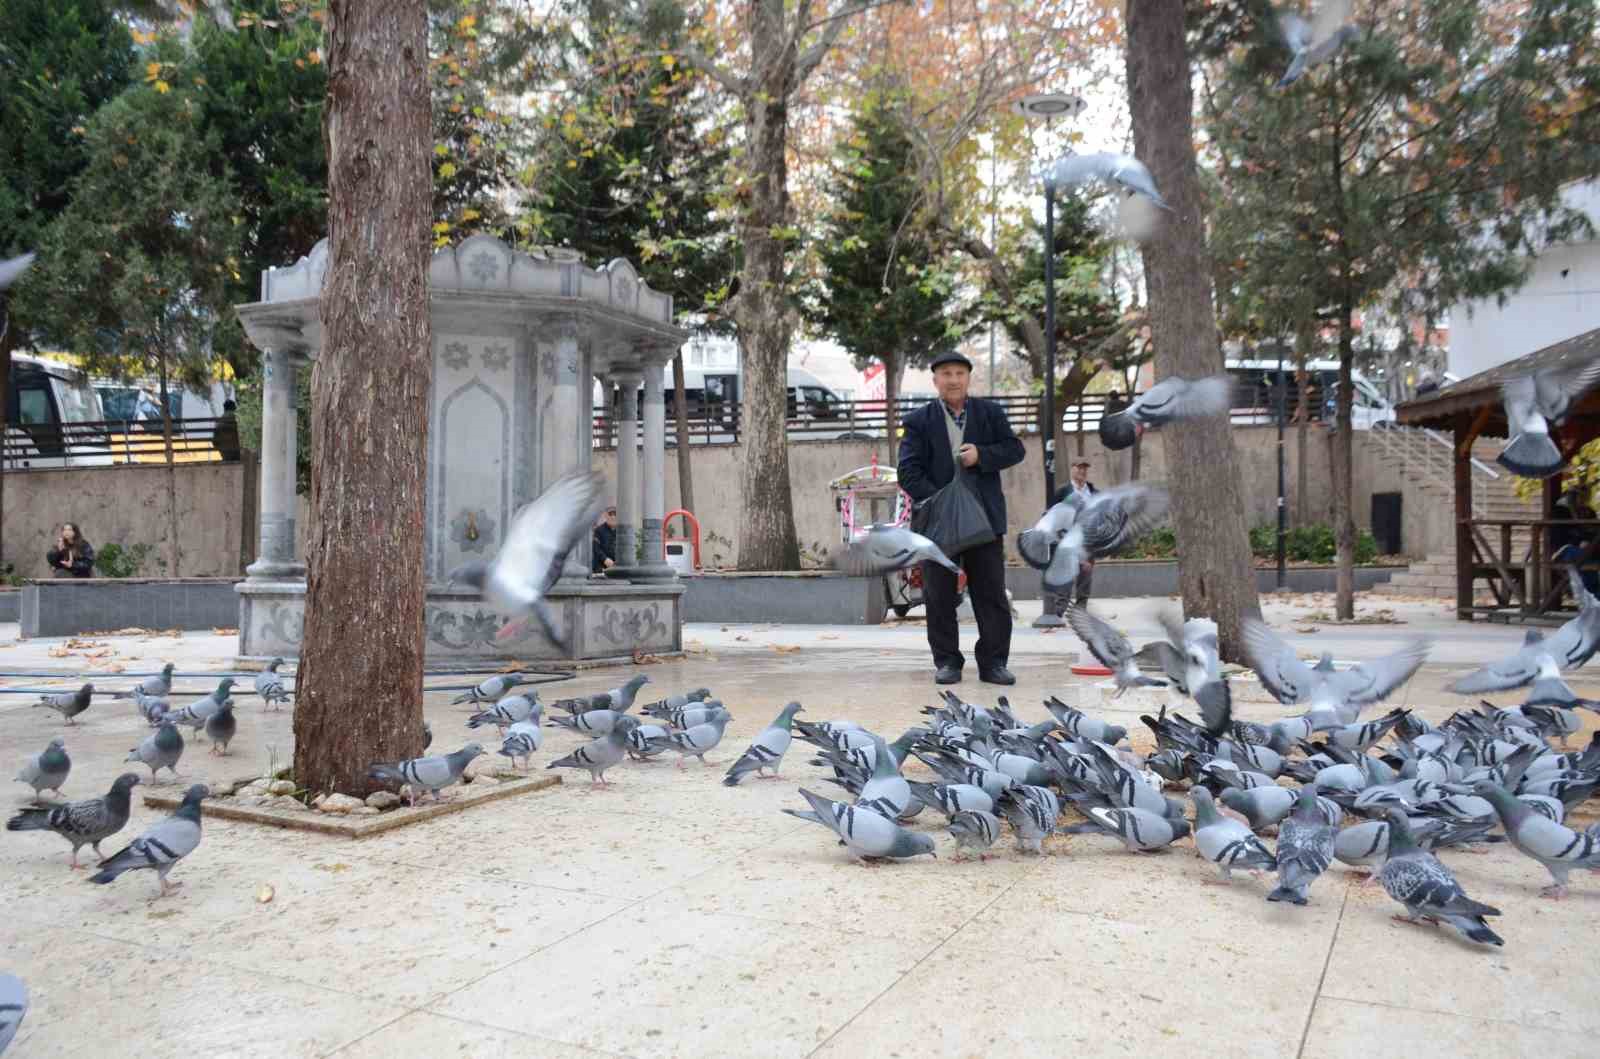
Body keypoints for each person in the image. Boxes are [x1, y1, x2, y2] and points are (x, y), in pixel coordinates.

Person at [897, 351, 1025, 685]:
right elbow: (907, 472)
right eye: (945, 374)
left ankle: (994, 663)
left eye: (959, 373)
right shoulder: (918, 421)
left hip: (984, 521)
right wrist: (939, 501)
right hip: (938, 524)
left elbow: (1015, 449)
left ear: (968, 378)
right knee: (938, 596)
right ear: (935, 380)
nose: (953, 380)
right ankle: (948, 662)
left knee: (991, 594)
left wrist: (982, 455)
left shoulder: (990, 414)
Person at [1038, 459, 1098, 623]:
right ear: (1072, 469)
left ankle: (1080, 615)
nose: (1082, 471)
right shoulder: (1062, 492)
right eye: (1079, 468)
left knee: (1084, 582)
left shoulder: (1094, 492)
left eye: (1085, 468)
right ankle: (1058, 615)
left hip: (1087, 542)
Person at [592, 506, 618, 574]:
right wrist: (605, 559)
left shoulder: (622, 531)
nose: (613, 517)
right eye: (610, 514)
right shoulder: (599, 530)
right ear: (606, 516)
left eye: (615, 514)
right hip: (602, 567)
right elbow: (596, 548)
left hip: (617, 567)